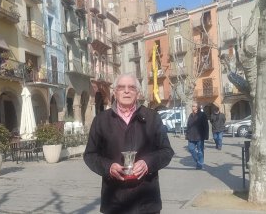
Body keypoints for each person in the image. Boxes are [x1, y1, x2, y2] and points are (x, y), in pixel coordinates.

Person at [84, 73, 174, 214]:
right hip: (114, 202)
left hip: (146, 202)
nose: (126, 91)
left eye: (131, 87)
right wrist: (108, 167)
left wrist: (147, 163)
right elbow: (90, 155)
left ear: (137, 93)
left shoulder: (152, 117)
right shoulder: (101, 120)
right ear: (115, 92)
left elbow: (167, 151)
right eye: (121, 87)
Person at [186, 102, 209, 170]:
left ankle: (200, 164)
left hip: (200, 136)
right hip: (191, 136)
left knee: (200, 151)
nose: (192, 107)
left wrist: (206, 135)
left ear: (197, 107)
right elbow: (188, 125)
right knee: (191, 149)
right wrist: (187, 135)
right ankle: (198, 161)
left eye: (194, 106)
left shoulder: (202, 115)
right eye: (192, 106)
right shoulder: (190, 115)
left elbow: (206, 126)